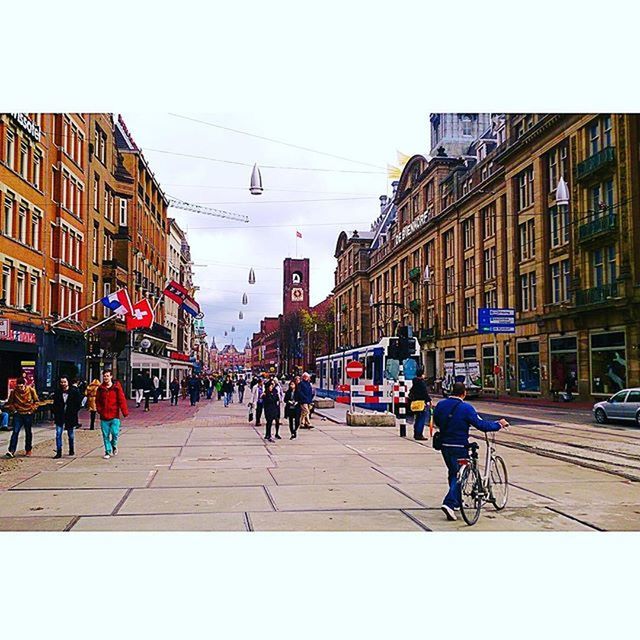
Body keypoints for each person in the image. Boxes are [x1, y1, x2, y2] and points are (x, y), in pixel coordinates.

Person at [433, 382, 509, 521]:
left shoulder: (440, 405)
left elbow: (436, 420)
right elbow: (481, 425)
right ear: (464, 393)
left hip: (444, 445)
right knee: (460, 475)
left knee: (453, 472)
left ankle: (456, 501)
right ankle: (449, 503)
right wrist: (498, 424)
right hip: (460, 446)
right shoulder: (466, 408)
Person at [95, 370, 129, 460]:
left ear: (111, 377)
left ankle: (113, 444)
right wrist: (99, 410)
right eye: (104, 376)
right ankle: (107, 451)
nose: (105, 377)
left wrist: (124, 411)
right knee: (105, 435)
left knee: (115, 433)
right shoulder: (100, 388)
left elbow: (121, 399)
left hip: (114, 415)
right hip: (104, 416)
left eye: (107, 376)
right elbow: (97, 400)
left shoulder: (116, 388)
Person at [4, 378, 39, 458]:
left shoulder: (31, 390)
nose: (20, 388)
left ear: (24, 385)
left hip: (28, 413)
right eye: (18, 386)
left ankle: (28, 450)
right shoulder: (14, 392)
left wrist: (32, 410)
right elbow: (10, 403)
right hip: (18, 414)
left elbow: (36, 401)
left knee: (28, 432)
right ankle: (11, 450)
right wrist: (14, 410)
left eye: (21, 387)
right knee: (15, 432)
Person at [51, 376, 82, 458]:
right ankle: (59, 451)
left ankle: (71, 449)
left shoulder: (74, 391)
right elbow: (55, 404)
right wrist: (55, 413)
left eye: (64, 382)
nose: (63, 384)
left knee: (70, 434)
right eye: (62, 382)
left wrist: (74, 411)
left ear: (68, 382)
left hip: (70, 416)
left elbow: (78, 403)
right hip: (59, 416)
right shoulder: (58, 392)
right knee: (58, 434)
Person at [408, 367, 432, 440]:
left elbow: (410, 392)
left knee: (417, 418)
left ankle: (416, 433)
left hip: (415, 402)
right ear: (422, 375)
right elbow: (424, 393)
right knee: (421, 419)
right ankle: (419, 434)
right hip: (421, 403)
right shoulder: (421, 383)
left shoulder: (414, 382)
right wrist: (429, 400)